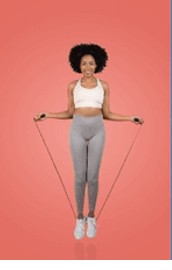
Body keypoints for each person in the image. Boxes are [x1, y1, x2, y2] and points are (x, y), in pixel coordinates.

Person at [36, 43, 144, 240]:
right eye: (83, 63)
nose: (87, 67)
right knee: (79, 177)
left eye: (91, 63)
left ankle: (91, 216)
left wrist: (130, 117)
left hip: (97, 130)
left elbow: (108, 114)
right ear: (78, 65)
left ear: (97, 65)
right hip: (77, 129)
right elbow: (69, 112)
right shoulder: (72, 86)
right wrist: (48, 114)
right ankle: (79, 218)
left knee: (93, 177)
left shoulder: (104, 86)